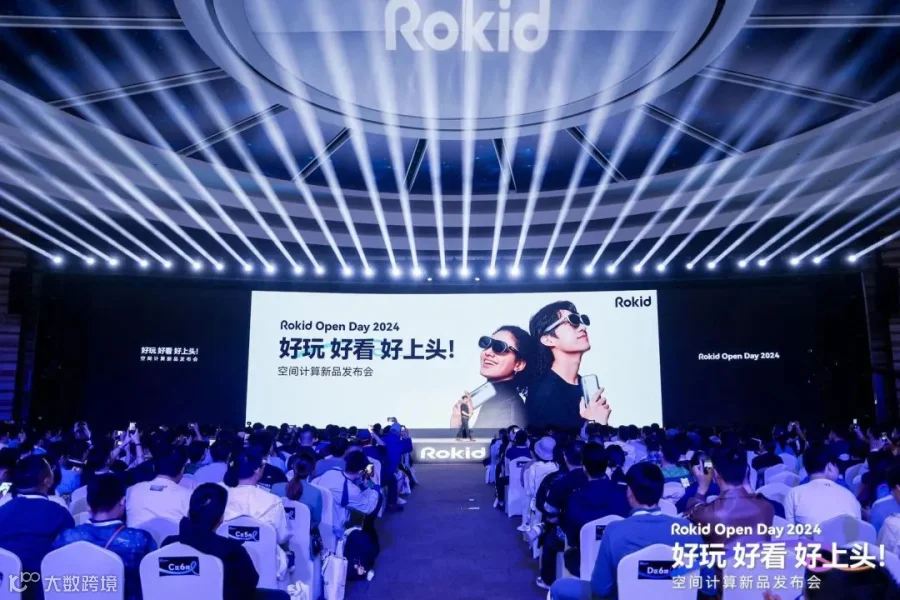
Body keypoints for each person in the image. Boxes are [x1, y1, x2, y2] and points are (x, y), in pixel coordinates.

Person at [549, 463, 704, 600]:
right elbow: (707, 588)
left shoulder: (614, 530)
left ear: (629, 492)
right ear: (660, 492)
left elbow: (600, 589)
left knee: (559, 588)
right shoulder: (688, 529)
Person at [52, 474, 156, 600]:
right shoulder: (140, 540)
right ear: (123, 502)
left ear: (88, 505)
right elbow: (153, 582)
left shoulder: (65, 538)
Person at [162, 483, 260, 600]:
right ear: (221, 519)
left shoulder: (167, 545)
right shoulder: (234, 552)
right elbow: (248, 590)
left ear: (188, 513)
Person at [527, 301, 611, 431]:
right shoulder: (544, 395)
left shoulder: (583, 385)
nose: (582, 327)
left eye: (581, 320)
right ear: (548, 339)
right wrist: (594, 424)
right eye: (572, 321)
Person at [0, 456, 75, 600]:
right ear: (48, 481)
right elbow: (68, 555)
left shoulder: (2, 510)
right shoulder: (60, 514)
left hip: (4, 589)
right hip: (44, 590)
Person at [557, 442, 629, 579]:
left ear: (584, 467)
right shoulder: (624, 493)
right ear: (607, 465)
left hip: (585, 559)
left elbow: (572, 538)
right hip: (619, 558)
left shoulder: (575, 498)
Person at [685, 447, 774, 548]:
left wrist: (702, 488)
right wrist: (747, 486)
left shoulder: (708, 514)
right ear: (746, 472)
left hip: (722, 559)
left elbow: (687, 520)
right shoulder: (767, 508)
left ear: (715, 473)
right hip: (762, 558)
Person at [451, 327, 534, 430]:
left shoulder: (505, 406)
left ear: (519, 364)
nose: (488, 352)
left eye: (499, 347)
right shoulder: (495, 396)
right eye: (487, 344)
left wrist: (457, 423)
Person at [784, 443, 861, 526]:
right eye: (836, 465)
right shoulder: (849, 495)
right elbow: (859, 527)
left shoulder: (794, 493)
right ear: (830, 467)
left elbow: (789, 528)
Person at [312, 451, 381, 539]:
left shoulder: (331, 472)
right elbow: (368, 508)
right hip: (337, 527)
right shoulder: (351, 490)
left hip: (321, 518)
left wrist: (361, 484)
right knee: (376, 500)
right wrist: (376, 487)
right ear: (360, 472)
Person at [125, 447, 192, 528]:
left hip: (133, 536)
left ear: (154, 468)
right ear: (182, 470)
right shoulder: (189, 495)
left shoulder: (132, 490)